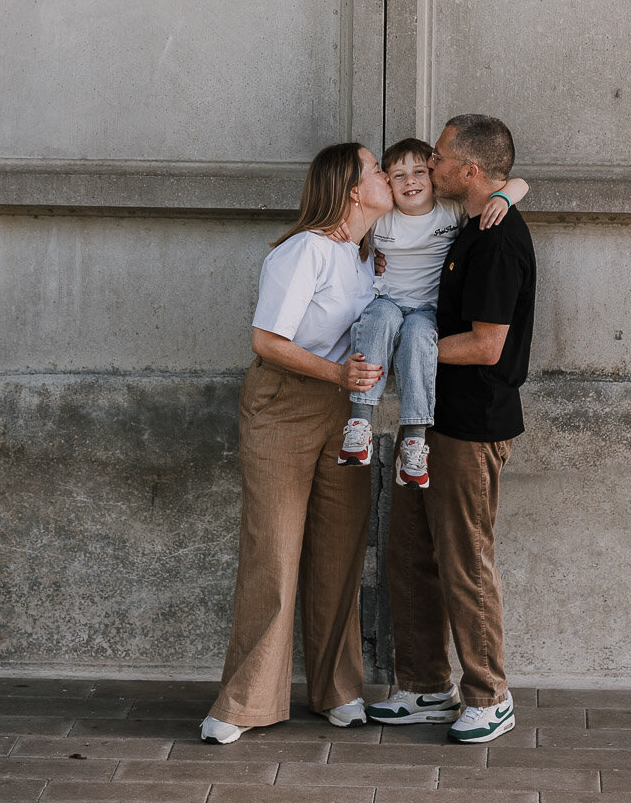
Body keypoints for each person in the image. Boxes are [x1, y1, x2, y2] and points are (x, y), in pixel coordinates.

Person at [201, 142, 393, 743]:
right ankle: (245, 702)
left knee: (340, 552)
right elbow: (267, 341)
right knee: (274, 551)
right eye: (377, 169)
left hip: (347, 413)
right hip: (283, 405)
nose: (389, 175)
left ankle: (339, 690)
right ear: (352, 189)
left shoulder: (367, 257)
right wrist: (337, 373)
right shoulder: (304, 249)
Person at [366, 115, 536, 744]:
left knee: (465, 562)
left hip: (472, 428)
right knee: (410, 554)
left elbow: (489, 346)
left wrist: (409, 349)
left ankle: (490, 697)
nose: (429, 165)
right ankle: (425, 687)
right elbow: (516, 181)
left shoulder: (497, 238)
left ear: (469, 169)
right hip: (430, 420)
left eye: (437, 156)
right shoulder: (470, 221)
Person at [338, 137, 527, 489]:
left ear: (432, 174)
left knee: (418, 340)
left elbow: (520, 183)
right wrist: (339, 230)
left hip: (426, 310)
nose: (410, 181)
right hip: (389, 301)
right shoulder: (383, 218)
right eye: (398, 176)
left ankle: (414, 439)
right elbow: (348, 227)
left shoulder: (450, 211)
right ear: (388, 184)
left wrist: (503, 197)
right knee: (379, 320)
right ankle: (360, 421)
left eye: (420, 171)